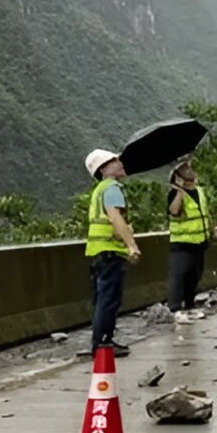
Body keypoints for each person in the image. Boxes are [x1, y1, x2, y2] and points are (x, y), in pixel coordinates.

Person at [82, 149, 141, 357]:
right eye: (114, 160)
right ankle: (103, 344)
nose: (119, 162)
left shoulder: (100, 189)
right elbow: (116, 220)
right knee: (109, 300)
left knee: (101, 300)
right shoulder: (113, 188)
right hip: (110, 252)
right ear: (104, 169)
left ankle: (99, 342)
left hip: (98, 252)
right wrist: (131, 244)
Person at [167, 161, 217, 313]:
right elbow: (174, 211)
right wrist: (180, 192)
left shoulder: (200, 191)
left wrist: (213, 231)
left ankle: (189, 304)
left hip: (200, 241)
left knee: (195, 275)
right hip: (182, 243)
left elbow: (206, 213)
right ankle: (175, 308)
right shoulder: (174, 194)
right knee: (178, 276)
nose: (189, 172)